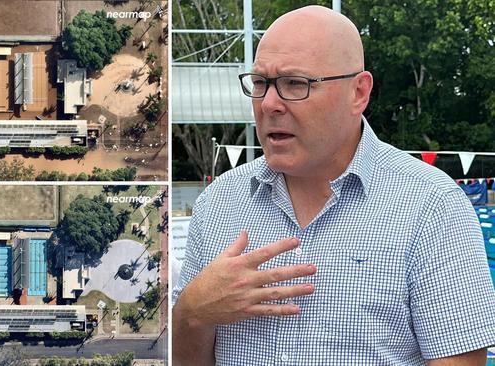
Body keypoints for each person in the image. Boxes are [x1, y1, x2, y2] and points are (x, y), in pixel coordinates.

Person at [172, 5, 495, 366]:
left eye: (296, 83)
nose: (269, 104)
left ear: (358, 92)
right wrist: (190, 313)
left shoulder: (432, 205)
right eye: (261, 83)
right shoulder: (219, 201)